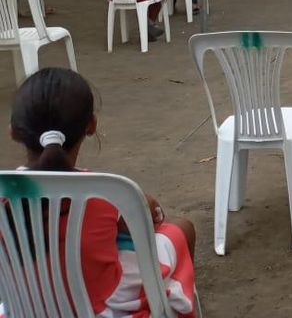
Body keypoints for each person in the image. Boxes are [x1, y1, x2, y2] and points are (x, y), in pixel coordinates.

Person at [4, 68, 196, 317]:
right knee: (181, 228)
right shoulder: (105, 195)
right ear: (91, 125)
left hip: (20, 307)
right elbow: (145, 219)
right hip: (101, 308)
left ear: (13, 131)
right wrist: (142, 206)